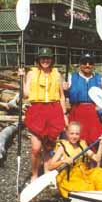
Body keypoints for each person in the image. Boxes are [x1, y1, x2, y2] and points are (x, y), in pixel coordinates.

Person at [19, 47, 67, 182]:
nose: (45, 61)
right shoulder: (32, 74)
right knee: (35, 148)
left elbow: (61, 96)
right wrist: (22, 78)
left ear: (52, 60)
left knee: (49, 146)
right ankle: (34, 174)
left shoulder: (56, 74)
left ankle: (47, 173)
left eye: (48, 58)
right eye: (42, 58)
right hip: (37, 110)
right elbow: (26, 94)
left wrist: (64, 114)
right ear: (38, 60)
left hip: (53, 110)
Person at [49, 121, 102, 198]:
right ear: (67, 134)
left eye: (77, 134)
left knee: (101, 174)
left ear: (80, 134)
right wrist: (63, 161)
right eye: (72, 133)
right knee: (85, 187)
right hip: (70, 177)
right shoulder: (62, 147)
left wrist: (101, 144)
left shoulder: (83, 145)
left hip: (84, 173)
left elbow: (97, 159)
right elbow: (50, 166)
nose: (74, 136)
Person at [64, 54, 102, 147]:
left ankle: (93, 159)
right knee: (77, 139)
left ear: (93, 65)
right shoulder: (72, 77)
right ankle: (79, 160)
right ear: (80, 64)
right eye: (84, 62)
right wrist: (65, 89)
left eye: (90, 63)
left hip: (94, 112)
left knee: (95, 139)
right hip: (77, 111)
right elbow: (64, 95)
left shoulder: (99, 78)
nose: (87, 65)